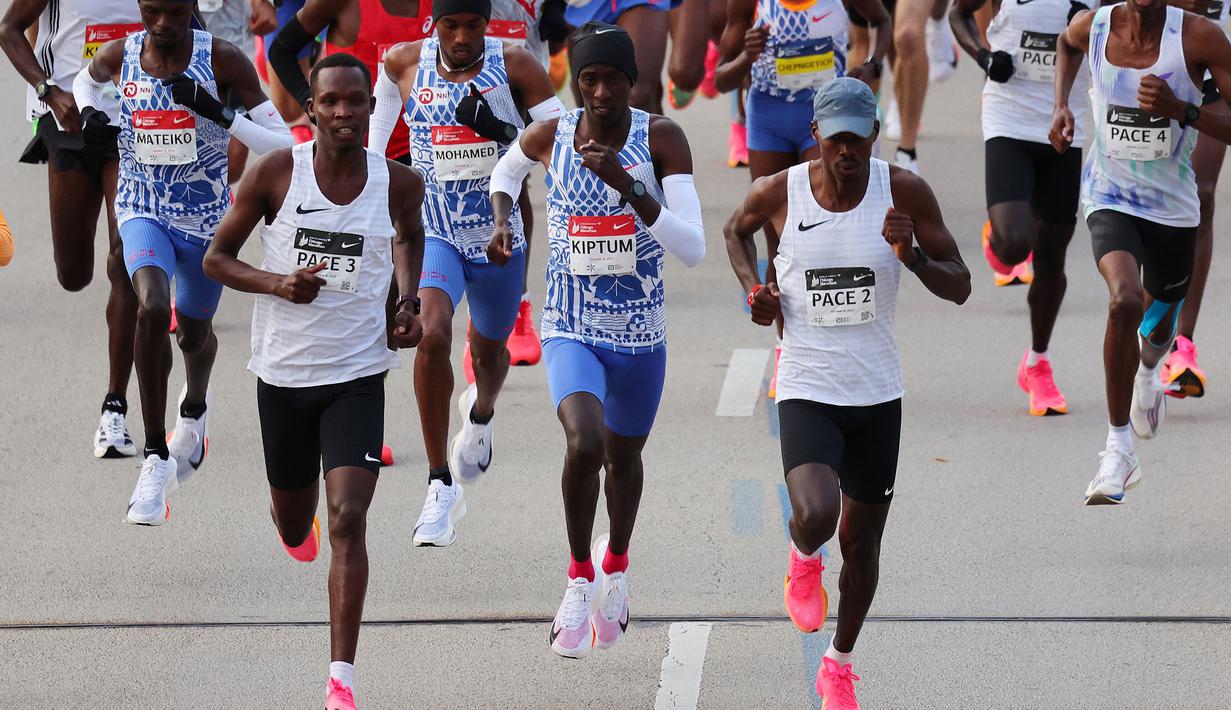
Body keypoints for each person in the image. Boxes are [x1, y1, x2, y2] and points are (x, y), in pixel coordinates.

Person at [724, 76, 968, 707]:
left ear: (873, 136)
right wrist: (756, 290)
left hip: (877, 395)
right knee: (817, 514)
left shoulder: (904, 193)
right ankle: (803, 555)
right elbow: (735, 231)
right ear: (817, 138)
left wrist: (910, 256)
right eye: (836, 140)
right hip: (807, 383)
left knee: (862, 546)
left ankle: (839, 662)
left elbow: (961, 283)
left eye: (858, 139)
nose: (847, 152)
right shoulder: (781, 192)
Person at [204, 53, 425, 710]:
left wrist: (407, 304)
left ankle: (340, 682)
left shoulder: (398, 184)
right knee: (298, 522)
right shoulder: (278, 172)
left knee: (348, 520)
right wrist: (277, 283)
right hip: (283, 376)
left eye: (355, 101)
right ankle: (286, 516)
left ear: (368, 107)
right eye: (330, 101)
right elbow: (217, 258)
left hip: (356, 375)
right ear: (310, 108)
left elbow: (411, 239)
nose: (344, 113)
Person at [487, 22, 705, 657]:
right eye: (589, 80)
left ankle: (617, 564)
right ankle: (579, 575)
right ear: (574, 84)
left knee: (624, 459)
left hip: (639, 335)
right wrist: (503, 224)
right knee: (584, 442)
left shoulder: (659, 138)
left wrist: (633, 188)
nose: (602, 91)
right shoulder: (553, 134)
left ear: (632, 82)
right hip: (569, 326)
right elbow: (504, 175)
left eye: (614, 78)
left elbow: (690, 247)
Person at [74, 0, 293, 525]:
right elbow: (86, 82)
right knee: (151, 305)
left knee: (194, 334)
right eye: (153, 12)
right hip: (140, 208)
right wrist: (90, 114)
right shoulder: (123, 53)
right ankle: (154, 455)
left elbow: (283, 142)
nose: (164, 24)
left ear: (191, 8)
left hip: (204, 221)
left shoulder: (221, 59)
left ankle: (194, 407)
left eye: (175, 12)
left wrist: (219, 111)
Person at [370, 0, 562, 546]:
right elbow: (375, 148)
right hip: (433, 232)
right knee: (432, 334)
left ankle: (480, 414)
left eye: (472, 26)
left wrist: (504, 130)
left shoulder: (518, 65)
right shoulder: (404, 63)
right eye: (449, 25)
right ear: (434, 24)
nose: (460, 37)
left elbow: (562, 145)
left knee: (489, 353)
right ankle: (439, 482)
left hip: (499, 238)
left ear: (487, 25)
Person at [1051, 0, 1231, 503]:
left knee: (1156, 323)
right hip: (1109, 195)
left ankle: (1150, 371)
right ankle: (1117, 450)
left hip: (1173, 209)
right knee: (1124, 299)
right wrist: (1060, 105)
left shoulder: (1198, 38)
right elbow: (1067, 43)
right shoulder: (1095, 26)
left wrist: (1182, 111)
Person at [716, 0, 891, 400]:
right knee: (777, 236)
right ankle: (787, 348)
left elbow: (881, 20)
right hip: (769, 118)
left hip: (828, 123)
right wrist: (748, 54)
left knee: (826, 226)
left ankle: (836, 340)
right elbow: (723, 79)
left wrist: (872, 64)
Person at [0, 0, 142, 459]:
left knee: (126, 259)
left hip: (138, 119)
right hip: (68, 115)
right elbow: (9, 30)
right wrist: (49, 91)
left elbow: (193, 27)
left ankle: (114, 408)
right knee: (74, 273)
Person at [951, 0, 1090, 416]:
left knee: (1051, 258)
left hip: (1066, 123)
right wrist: (984, 56)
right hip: (1008, 116)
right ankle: (1001, 232)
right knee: (1014, 244)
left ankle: (1037, 363)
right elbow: (958, 14)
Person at [1159, 0, 1230, 399]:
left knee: (1201, 199)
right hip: (1149, 76)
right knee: (1145, 206)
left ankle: (1182, 346)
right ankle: (1148, 322)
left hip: (1210, 82)